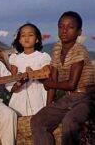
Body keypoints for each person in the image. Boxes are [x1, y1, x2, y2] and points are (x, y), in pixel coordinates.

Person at [30, 11, 95, 145]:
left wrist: (48, 83)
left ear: (79, 32)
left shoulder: (79, 50)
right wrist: (48, 107)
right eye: (61, 26)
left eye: (70, 27)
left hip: (87, 97)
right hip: (70, 98)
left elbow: (71, 84)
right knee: (38, 120)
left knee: (70, 121)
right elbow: (53, 78)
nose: (64, 31)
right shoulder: (57, 48)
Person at [9, 23, 51, 116]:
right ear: (19, 40)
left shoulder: (43, 57)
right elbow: (11, 85)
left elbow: (48, 76)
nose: (26, 38)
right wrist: (20, 83)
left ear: (37, 39)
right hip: (20, 96)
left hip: (38, 96)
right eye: (23, 35)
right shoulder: (15, 58)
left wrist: (32, 74)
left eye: (30, 35)